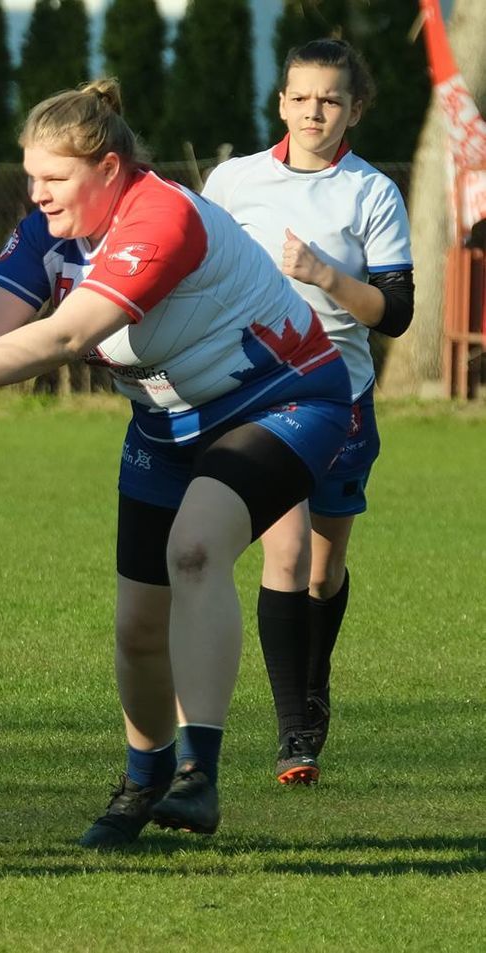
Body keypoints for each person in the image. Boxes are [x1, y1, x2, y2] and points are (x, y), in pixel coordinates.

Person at [0, 79, 352, 845]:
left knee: (196, 549)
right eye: (31, 177)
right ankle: (143, 778)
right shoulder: (46, 233)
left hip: (285, 400)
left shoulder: (160, 217)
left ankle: (199, 775)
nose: (38, 194)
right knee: (136, 628)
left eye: (54, 179)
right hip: (166, 423)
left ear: (111, 168)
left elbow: (62, 337)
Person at [202, 39, 414, 785]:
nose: (313, 111)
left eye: (329, 99)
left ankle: (313, 683)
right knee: (283, 554)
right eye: (300, 97)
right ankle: (296, 732)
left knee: (324, 571)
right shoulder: (232, 181)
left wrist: (325, 275)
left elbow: (395, 314)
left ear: (354, 108)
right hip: (259, 392)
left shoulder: (371, 193)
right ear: (281, 102)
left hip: (341, 393)